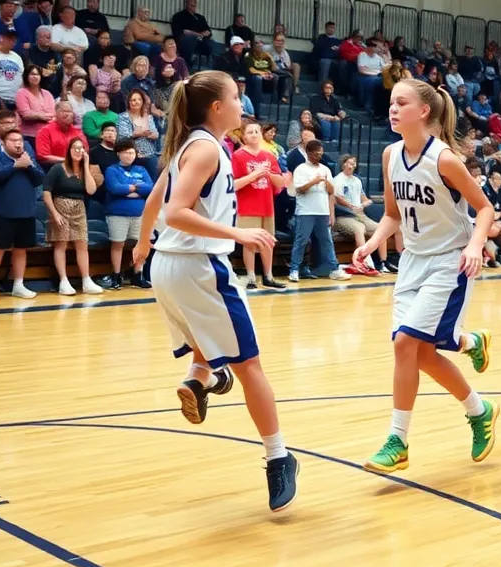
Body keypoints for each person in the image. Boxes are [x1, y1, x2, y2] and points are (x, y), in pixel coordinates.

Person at [133, 70, 298, 511]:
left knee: (209, 339)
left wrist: (142, 241)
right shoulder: (206, 148)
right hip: (199, 266)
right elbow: (177, 210)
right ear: (217, 108)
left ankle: (201, 378)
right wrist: (238, 234)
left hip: (168, 268)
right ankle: (280, 456)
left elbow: (155, 202)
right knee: (252, 366)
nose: (243, 104)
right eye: (236, 96)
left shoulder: (192, 144)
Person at [354, 79, 498, 474]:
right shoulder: (389, 155)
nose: (393, 108)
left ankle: (398, 440)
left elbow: (484, 209)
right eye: (391, 102)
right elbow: (392, 215)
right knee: (421, 354)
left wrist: (474, 245)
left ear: (423, 112)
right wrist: (371, 242)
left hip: (449, 262)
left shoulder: (445, 160)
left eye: (402, 102)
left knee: (405, 344)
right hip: (413, 262)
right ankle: (479, 409)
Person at [0, 128, 44, 300]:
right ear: (3, 143)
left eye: (20, 140)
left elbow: (40, 178)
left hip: (26, 211)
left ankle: (18, 284)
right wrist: (16, 165)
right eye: (13, 141)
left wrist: (29, 165)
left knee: (21, 249)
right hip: (2, 211)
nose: (18, 144)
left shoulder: (27, 158)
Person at [43, 136, 103, 296]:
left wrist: (85, 164)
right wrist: (54, 213)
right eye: (75, 148)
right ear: (69, 151)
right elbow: (46, 192)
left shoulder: (85, 170)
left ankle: (86, 280)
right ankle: (63, 281)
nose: (78, 151)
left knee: (82, 244)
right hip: (60, 206)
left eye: (81, 148)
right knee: (61, 244)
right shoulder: (57, 168)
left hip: (79, 208)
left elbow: (91, 190)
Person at [232, 121, 288, 291]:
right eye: (250, 132)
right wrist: (254, 175)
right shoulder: (238, 156)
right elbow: (234, 184)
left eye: (257, 131)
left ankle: (268, 276)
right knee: (250, 243)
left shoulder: (269, 156)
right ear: (243, 136)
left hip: (266, 205)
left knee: (268, 242)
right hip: (248, 206)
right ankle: (250, 277)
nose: (255, 134)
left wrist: (268, 173)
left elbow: (280, 182)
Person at [288, 140, 350, 282]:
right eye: (316, 153)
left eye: (320, 153)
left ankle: (334, 269)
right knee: (301, 240)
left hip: (323, 211)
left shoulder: (325, 169)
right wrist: (314, 181)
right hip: (305, 211)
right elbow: (299, 189)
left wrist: (331, 212)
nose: (319, 156)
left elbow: (331, 192)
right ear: (309, 153)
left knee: (327, 240)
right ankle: (294, 269)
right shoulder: (301, 169)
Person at [103, 140, 155, 290]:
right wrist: (136, 189)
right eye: (126, 152)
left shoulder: (141, 169)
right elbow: (115, 188)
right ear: (119, 153)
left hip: (140, 214)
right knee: (118, 244)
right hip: (118, 214)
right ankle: (116, 275)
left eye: (132, 152)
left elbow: (150, 188)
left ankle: (137, 275)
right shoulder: (112, 170)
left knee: (141, 243)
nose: (129, 155)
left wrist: (129, 190)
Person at [333, 155, 383, 262]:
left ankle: (381, 261)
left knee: (380, 229)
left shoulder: (357, 180)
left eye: (354, 162)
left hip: (360, 214)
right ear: (343, 164)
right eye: (350, 163)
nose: (353, 165)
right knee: (359, 229)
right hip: (344, 215)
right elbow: (338, 199)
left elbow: (364, 198)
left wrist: (366, 203)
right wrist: (351, 206)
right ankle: (365, 262)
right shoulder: (338, 180)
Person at [36, 101, 87, 167]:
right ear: (56, 114)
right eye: (64, 111)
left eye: (70, 111)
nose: (67, 114)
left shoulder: (78, 132)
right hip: (55, 168)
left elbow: (85, 151)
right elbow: (43, 157)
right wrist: (66, 160)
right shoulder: (44, 131)